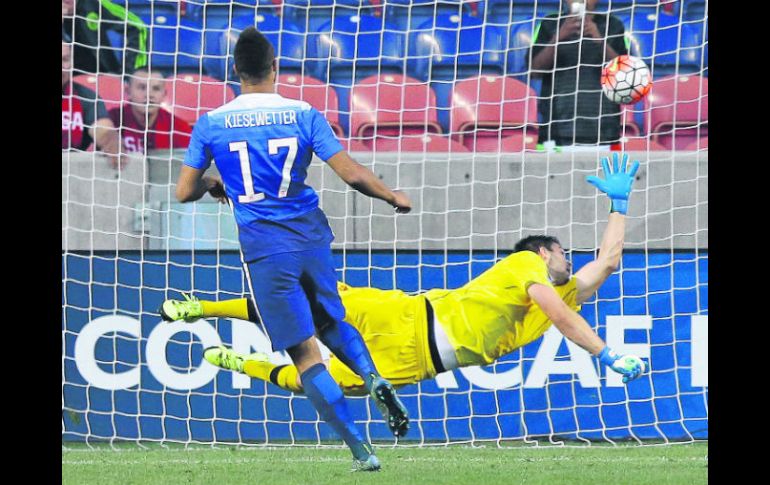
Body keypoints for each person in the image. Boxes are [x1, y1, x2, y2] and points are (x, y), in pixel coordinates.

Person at [163, 153, 647, 397]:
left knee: (317, 382)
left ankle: (236, 362)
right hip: (409, 314)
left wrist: (619, 204)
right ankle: (199, 308)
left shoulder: (563, 286)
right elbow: (559, 314)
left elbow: (607, 261)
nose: (570, 259)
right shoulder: (525, 265)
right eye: (563, 253)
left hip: (422, 363)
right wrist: (604, 353)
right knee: (305, 307)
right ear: (543, 252)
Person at [175, 27, 412, 472]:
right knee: (330, 319)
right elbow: (350, 172)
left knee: (305, 354)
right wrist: (391, 196)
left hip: (266, 251)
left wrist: (212, 183)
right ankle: (374, 377)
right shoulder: (303, 113)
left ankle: (361, 449)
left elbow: (183, 191)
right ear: (275, 68)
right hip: (311, 238)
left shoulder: (212, 122)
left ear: (235, 72)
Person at [529, 0, 629, 147]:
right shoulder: (549, 24)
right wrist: (559, 37)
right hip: (556, 130)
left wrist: (599, 39)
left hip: (605, 130)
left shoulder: (614, 25)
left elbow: (625, 74)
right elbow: (535, 71)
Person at [62, 41, 121, 168]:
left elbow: (101, 126)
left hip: (73, 172)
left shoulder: (87, 96)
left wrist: (109, 138)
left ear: (72, 62)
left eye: (64, 59)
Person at [108, 68, 192, 154]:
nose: (149, 94)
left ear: (164, 94)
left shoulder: (179, 128)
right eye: (142, 88)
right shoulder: (111, 121)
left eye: (156, 89)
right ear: (128, 91)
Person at [62, 0, 148, 75]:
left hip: (101, 77)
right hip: (66, 79)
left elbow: (138, 27)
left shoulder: (94, 3)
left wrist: (128, 73)